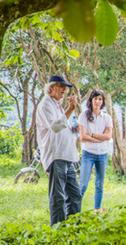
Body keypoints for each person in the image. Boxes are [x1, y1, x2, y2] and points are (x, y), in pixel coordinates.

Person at [36, 74, 81, 226]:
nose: (64, 90)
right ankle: (57, 231)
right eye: (61, 87)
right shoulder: (45, 105)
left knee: (75, 195)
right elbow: (54, 127)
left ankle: (73, 229)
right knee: (58, 197)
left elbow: (66, 129)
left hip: (68, 156)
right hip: (56, 156)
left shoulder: (58, 105)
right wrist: (70, 109)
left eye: (65, 88)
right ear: (52, 87)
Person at [78, 90, 112, 212]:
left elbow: (108, 136)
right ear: (91, 100)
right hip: (88, 153)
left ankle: (97, 210)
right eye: (95, 99)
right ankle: (75, 209)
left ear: (103, 102)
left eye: (100, 99)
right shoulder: (84, 116)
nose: (98, 101)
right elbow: (82, 137)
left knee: (99, 185)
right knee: (83, 185)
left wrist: (91, 135)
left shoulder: (107, 117)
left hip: (102, 154)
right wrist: (100, 138)